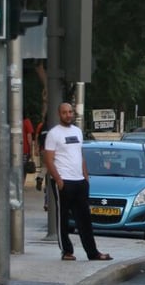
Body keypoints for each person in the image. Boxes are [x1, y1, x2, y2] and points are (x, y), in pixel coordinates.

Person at [43, 101, 111, 262]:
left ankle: (92, 253)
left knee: (85, 219)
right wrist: (58, 180)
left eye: (70, 112)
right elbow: (49, 159)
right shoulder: (54, 134)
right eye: (65, 112)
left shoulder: (78, 132)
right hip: (64, 181)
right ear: (60, 114)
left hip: (79, 181)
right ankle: (67, 251)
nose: (68, 115)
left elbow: (80, 156)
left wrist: (86, 178)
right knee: (63, 218)